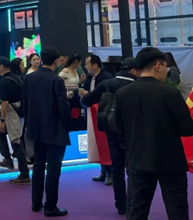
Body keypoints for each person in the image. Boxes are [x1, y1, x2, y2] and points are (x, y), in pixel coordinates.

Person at [116, 47, 193, 220]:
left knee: (137, 209)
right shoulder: (171, 93)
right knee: (177, 209)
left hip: (137, 159)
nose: (167, 71)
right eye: (166, 67)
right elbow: (187, 129)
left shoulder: (123, 93)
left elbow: (118, 126)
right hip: (171, 161)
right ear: (158, 66)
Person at [81, 57, 141, 216]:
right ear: (134, 71)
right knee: (134, 171)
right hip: (133, 133)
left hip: (111, 131)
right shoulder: (137, 86)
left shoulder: (107, 84)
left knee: (117, 169)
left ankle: (120, 205)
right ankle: (133, 206)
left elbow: (85, 101)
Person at [23, 47, 70, 217]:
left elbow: (25, 102)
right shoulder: (56, 80)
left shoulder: (30, 78)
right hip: (55, 129)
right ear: (56, 61)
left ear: (42, 59)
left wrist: (29, 123)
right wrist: (67, 125)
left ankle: (36, 202)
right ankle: (50, 206)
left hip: (36, 128)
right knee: (53, 169)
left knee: (38, 165)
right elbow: (63, 106)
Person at [0, 57, 30, 185]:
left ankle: (24, 174)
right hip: (20, 112)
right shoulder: (17, 78)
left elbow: (5, 103)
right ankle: (7, 159)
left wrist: (2, 120)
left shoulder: (5, 81)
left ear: (1, 66)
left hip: (12, 114)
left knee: (16, 142)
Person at [80, 53, 113, 185]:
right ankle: (103, 170)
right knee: (97, 143)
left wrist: (89, 95)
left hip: (104, 114)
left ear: (95, 65)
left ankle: (110, 172)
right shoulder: (89, 78)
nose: (85, 66)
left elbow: (107, 97)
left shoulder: (107, 78)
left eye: (87, 63)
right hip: (92, 114)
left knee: (106, 143)